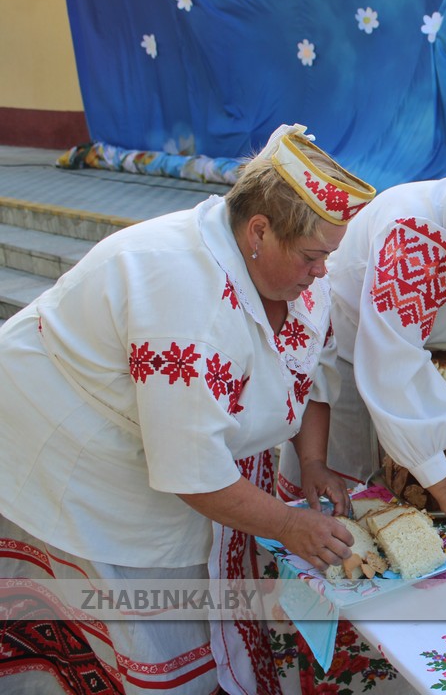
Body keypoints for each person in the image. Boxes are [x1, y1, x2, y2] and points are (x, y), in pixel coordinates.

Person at [0, 124, 376, 695]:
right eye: (313, 256)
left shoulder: (292, 275)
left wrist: (314, 460)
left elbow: (311, 368)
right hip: (69, 435)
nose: (323, 271)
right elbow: (192, 472)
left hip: (170, 444)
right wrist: (289, 522)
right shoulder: (184, 297)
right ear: (259, 231)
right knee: (130, 617)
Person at [278, 120, 446, 553]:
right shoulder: (412, 235)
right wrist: (445, 481)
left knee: (427, 512)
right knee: (353, 520)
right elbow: (392, 364)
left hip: (424, 361)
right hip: (349, 362)